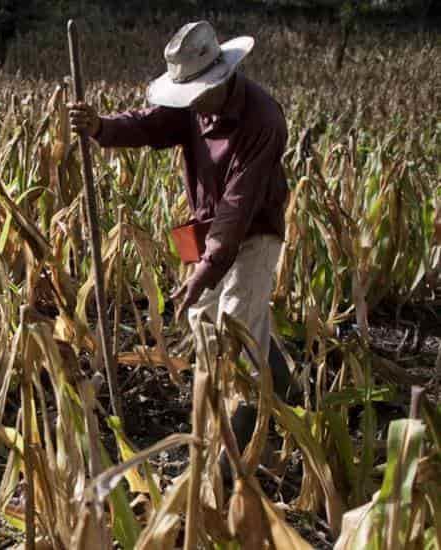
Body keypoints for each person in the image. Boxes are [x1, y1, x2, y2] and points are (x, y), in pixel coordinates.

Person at [69, 21, 297, 454]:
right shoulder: (194, 105)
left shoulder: (263, 120)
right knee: (201, 321)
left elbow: (237, 206)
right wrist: (101, 127)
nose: (190, 104)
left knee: (236, 327)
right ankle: (287, 388)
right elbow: (149, 125)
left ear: (223, 76)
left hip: (252, 230)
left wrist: (204, 272)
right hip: (202, 227)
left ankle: (241, 444)